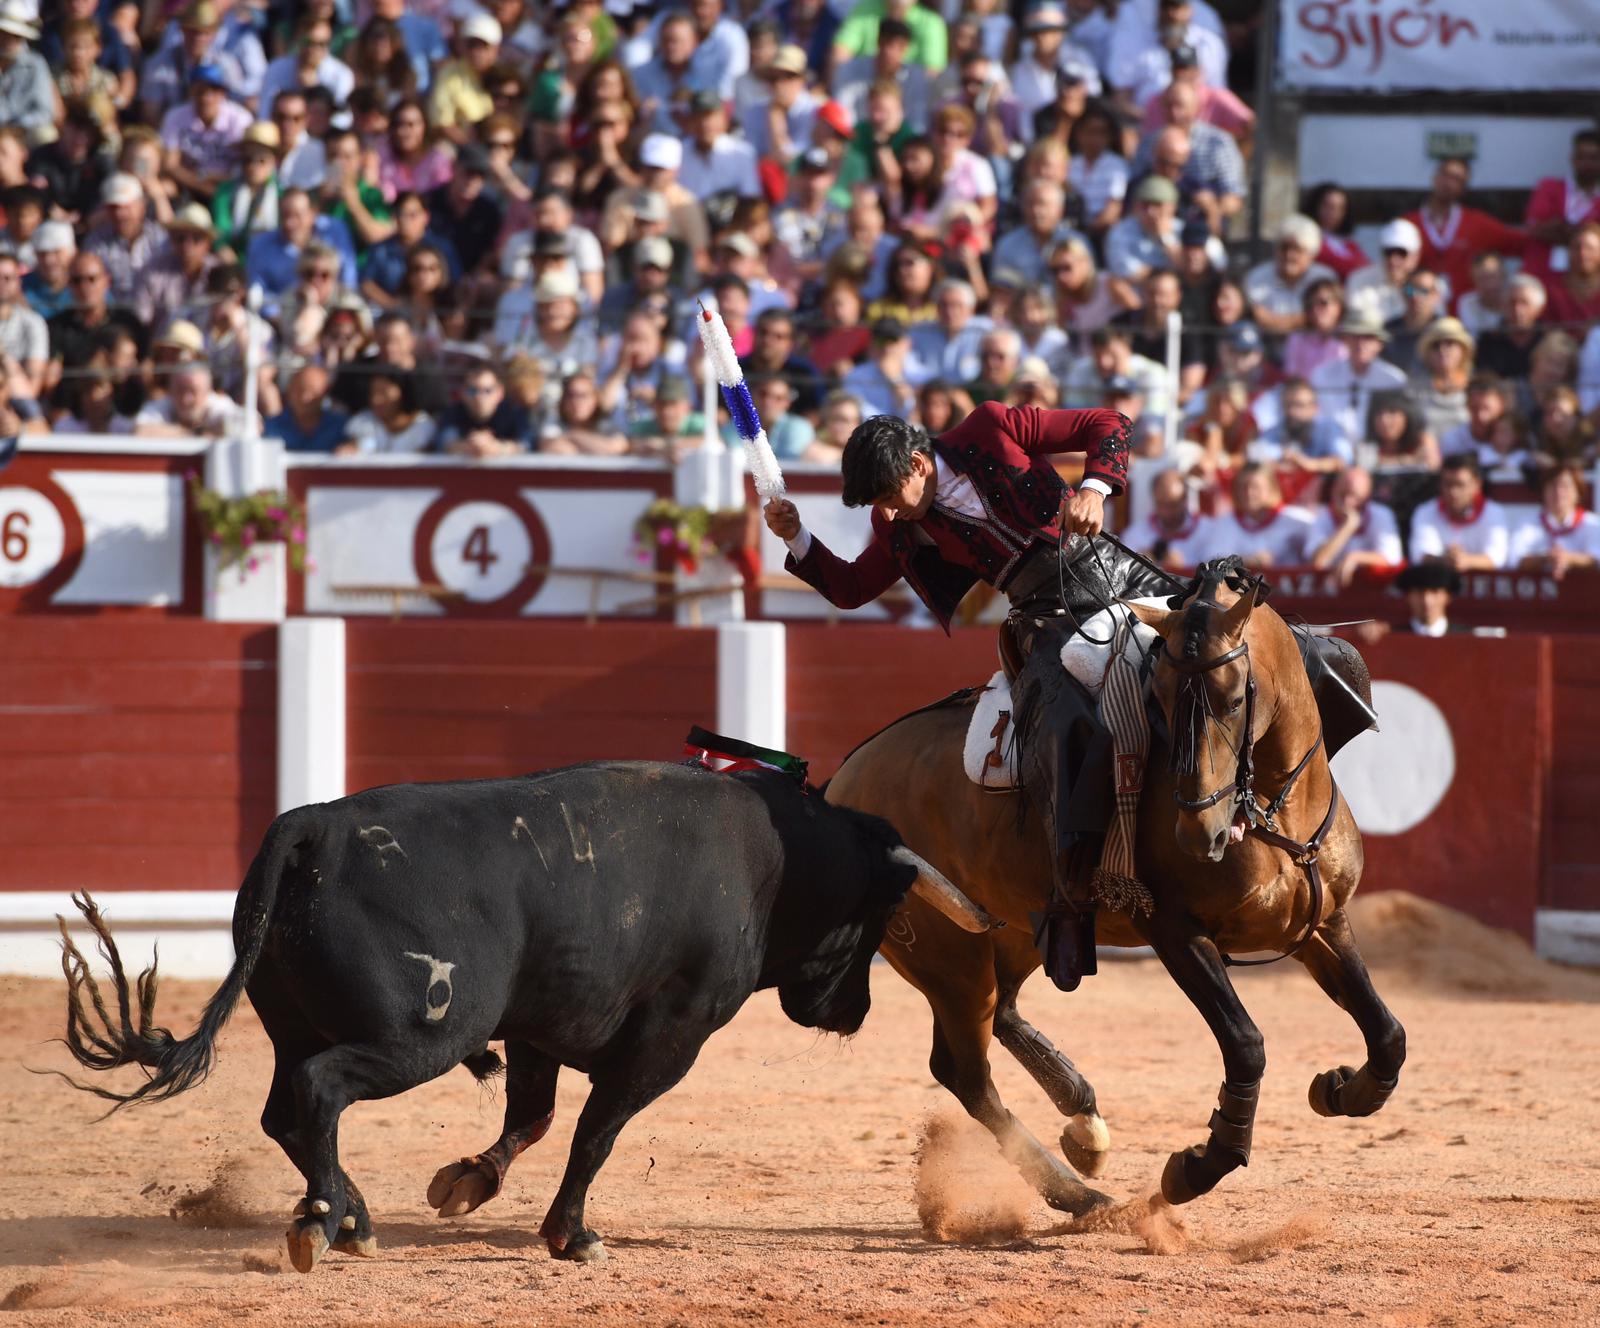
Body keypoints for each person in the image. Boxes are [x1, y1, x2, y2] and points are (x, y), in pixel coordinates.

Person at [762, 398, 1151, 989]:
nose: (886, 514)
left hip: (1121, 580)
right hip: (1044, 621)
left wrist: (1094, 487)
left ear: (919, 463)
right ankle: (1070, 898)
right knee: (1056, 732)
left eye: (889, 496)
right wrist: (798, 538)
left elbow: (1109, 423)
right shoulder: (900, 524)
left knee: (1226, 658)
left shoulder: (992, 428)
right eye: (877, 505)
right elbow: (850, 589)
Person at [1403, 157, 1526, 314]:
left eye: (1457, 179)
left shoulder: (1478, 224)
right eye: (1445, 175)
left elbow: (1522, 244)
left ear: (1464, 188)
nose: (1448, 183)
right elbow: (1398, 277)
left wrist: (1505, 293)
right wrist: (1423, 298)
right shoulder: (1408, 224)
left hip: (1467, 316)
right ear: (1434, 178)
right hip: (1424, 318)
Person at [1311, 311, 1408, 444]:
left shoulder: (1394, 380)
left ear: (1379, 344)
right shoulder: (1322, 376)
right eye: (1355, 336)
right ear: (1344, 339)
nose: (1361, 344)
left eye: (1368, 337)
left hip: (1378, 449)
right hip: (1331, 448)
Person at [1521, 127, 1600, 282]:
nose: (1587, 163)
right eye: (1581, 156)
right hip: (1539, 275)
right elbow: (1535, 229)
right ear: (1572, 158)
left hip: (1586, 285)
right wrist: (1585, 231)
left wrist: (1559, 226)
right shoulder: (1549, 187)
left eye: (1593, 157)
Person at [1407, 453, 1509, 571]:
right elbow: (1420, 554)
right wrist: (1445, 560)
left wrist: (1467, 561)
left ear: (1477, 485)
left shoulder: (1494, 512)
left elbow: (1497, 558)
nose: (1453, 492)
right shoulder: (1425, 511)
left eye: (1460, 485)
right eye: (1448, 484)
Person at [1305, 466, 1403, 584]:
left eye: (1354, 496)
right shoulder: (1321, 516)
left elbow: (1391, 559)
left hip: (1373, 590)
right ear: (1333, 489)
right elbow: (1318, 562)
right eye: (1342, 494)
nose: (1347, 502)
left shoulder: (1381, 515)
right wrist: (1348, 526)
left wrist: (1355, 558)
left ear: (1367, 496)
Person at [1509, 463, 1600, 578]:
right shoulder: (1527, 522)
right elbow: (1515, 560)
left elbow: (1596, 559)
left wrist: (1568, 559)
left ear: (1578, 493)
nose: (1558, 493)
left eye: (1565, 486)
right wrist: (1545, 559)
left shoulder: (1592, 523)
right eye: (1552, 486)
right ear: (1543, 491)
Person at [133, 360, 258, 437]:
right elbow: (140, 432)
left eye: (193, 391)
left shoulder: (217, 405)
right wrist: (195, 433)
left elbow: (252, 424)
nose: (186, 399)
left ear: (208, 391)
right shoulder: (163, 405)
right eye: (180, 390)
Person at [434, 361, 534, 455]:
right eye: (472, 390)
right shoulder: (453, 413)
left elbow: (526, 444)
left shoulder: (513, 412)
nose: (479, 397)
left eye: (487, 391)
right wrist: (470, 447)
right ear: (462, 392)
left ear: (500, 392)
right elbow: (445, 442)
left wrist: (496, 447)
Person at [1119, 465, 1209, 569]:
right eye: (1161, 504)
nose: (1167, 512)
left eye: (1173, 504)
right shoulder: (1134, 535)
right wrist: (1139, 566)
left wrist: (1182, 568)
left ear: (1185, 499)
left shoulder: (1208, 532)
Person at [341, 362, 436, 454]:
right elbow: (356, 448)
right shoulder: (362, 421)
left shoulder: (423, 426)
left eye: (383, 392)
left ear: (403, 392)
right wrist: (350, 449)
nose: (376, 400)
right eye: (372, 393)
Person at [1346, 218, 1423, 326]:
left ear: (1415, 256)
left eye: (1401, 253)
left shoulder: (1424, 285)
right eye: (1389, 252)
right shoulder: (1360, 281)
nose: (1393, 260)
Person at [265, 361, 347, 452]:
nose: (305, 397)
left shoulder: (342, 426)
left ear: (324, 393)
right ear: (289, 390)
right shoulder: (270, 426)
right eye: (299, 390)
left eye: (313, 391)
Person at [1392, 561, 1463, 637]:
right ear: (1408, 597)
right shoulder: (1392, 636)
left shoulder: (1467, 637)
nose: (1427, 601)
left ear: (1448, 597)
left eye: (1434, 592)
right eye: (1419, 592)